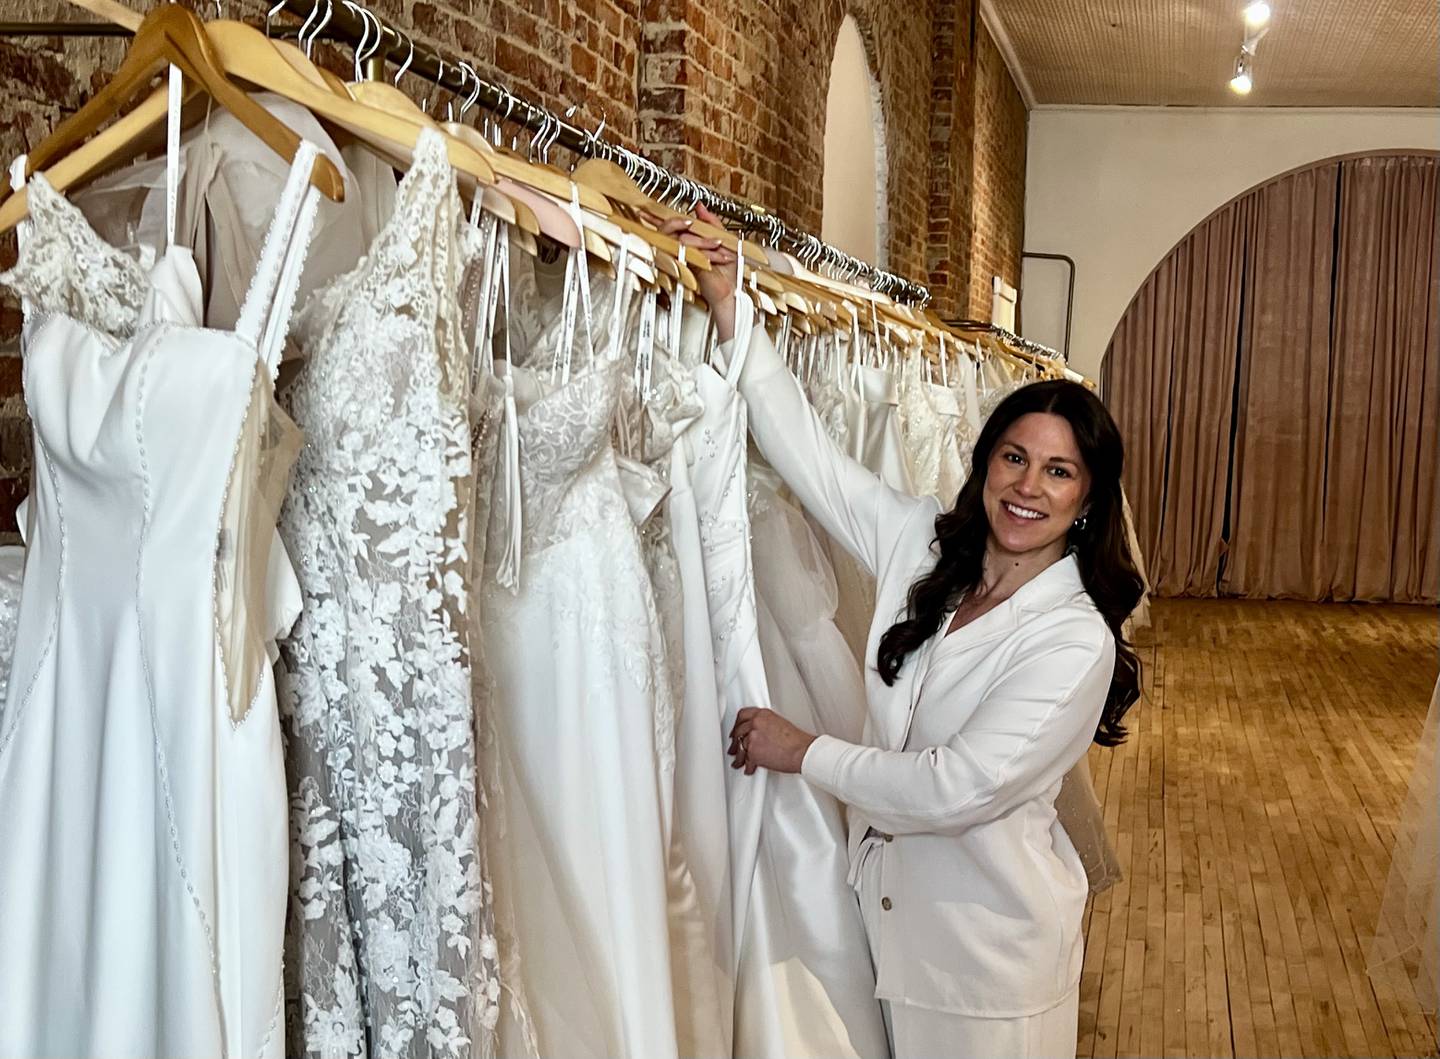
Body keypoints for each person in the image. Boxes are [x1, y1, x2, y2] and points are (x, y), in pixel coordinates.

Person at [662, 207, 1145, 1058]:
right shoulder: (924, 543)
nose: (1027, 486)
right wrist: (734, 307)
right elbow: (811, 459)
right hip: (885, 929)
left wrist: (801, 749)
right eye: (1013, 457)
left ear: (1088, 499)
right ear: (986, 461)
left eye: (1058, 471)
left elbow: (952, 787)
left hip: (985, 971)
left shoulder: (1074, 642)